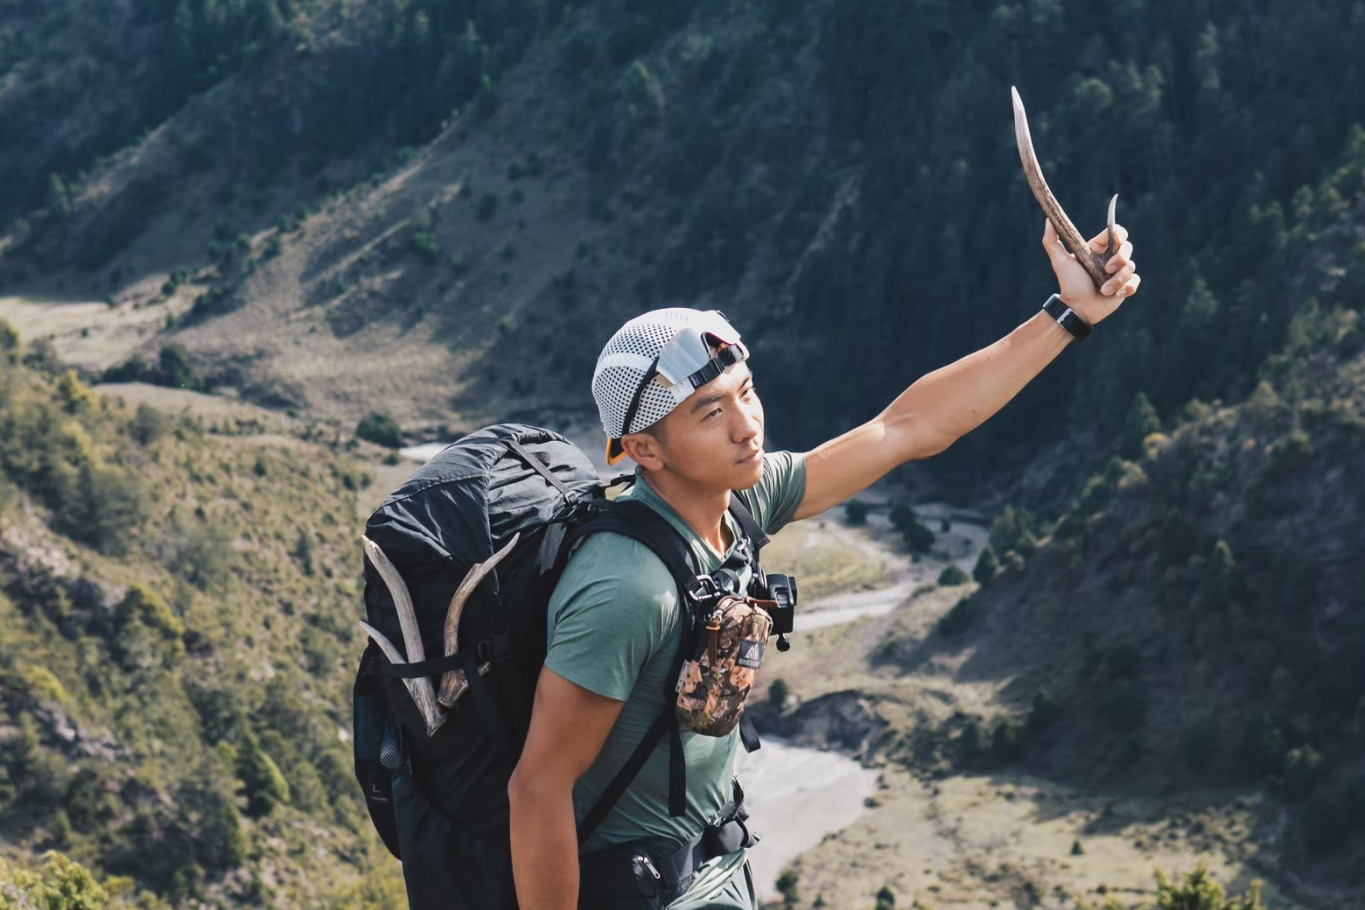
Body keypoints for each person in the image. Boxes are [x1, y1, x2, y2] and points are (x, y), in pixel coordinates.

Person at [507, 219, 1140, 909]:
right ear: (645, 450)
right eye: (709, 412)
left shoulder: (742, 503)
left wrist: (1070, 314)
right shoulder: (624, 589)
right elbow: (537, 789)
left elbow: (904, 427)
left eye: (745, 392)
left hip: (714, 869)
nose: (746, 425)